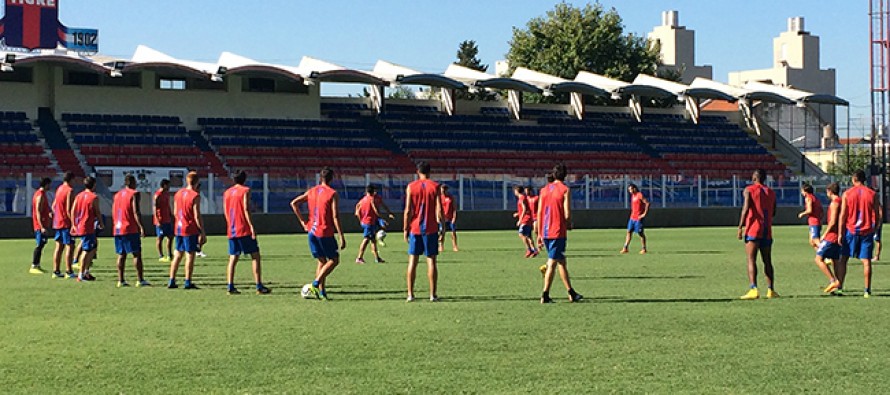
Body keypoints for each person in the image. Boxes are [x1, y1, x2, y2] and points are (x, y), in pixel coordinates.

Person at [291, 167, 346, 300]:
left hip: (312, 231)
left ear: (320, 178)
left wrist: (303, 222)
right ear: (332, 178)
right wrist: (341, 236)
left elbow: (294, 203)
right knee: (334, 260)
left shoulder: (312, 191)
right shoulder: (332, 193)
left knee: (321, 261)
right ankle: (315, 284)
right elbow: (335, 216)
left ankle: (321, 292)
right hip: (324, 232)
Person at [536, 164, 582, 303]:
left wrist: (539, 233)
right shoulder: (565, 190)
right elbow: (567, 213)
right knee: (552, 263)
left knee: (561, 261)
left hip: (545, 231)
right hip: (557, 231)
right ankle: (545, 295)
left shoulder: (544, 190)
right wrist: (569, 224)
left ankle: (571, 292)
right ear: (565, 175)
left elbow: (539, 212)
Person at [836, 170, 881, 298]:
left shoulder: (847, 194)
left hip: (851, 230)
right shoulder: (872, 194)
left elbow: (843, 215)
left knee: (843, 259)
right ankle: (867, 290)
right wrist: (875, 227)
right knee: (866, 261)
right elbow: (877, 214)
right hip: (867, 231)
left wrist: (840, 233)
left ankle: (840, 287)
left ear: (854, 179)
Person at [224, 171, 270, 295]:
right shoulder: (245, 190)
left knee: (233, 257)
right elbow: (245, 208)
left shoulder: (227, 192)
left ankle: (230, 286)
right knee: (255, 256)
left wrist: (230, 225)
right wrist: (251, 226)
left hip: (232, 228)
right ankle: (259, 286)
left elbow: (226, 211)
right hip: (243, 228)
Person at [737, 169, 778, 300]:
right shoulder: (771, 192)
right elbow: (774, 212)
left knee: (751, 259)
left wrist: (740, 226)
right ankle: (771, 290)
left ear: (754, 177)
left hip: (753, 229)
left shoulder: (749, 190)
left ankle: (753, 289)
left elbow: (745, 208)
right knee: (767, 260)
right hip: (767, 230)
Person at [404, 162, 441, 302]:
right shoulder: (435, 186)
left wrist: (405, 228)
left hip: (415, 228)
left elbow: (408, 210)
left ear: (418, 172)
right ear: (430, 172)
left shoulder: (411, 187)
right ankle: (432, 295)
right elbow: (439, 209)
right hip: (431, 228)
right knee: (431, 261)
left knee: (412, 261)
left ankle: (410, 294)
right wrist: (442, 227)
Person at [167, 171, 205, 290]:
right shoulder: (195, 195)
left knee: (178, 254)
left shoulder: (178, 193)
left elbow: (175, 212)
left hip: (178, 227)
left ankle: (171, 280)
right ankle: (188, 281)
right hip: (189, 228)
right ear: (197, 182)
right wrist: (202, 231)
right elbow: (196, 215)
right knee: (190, 255)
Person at [112, 174, 149, 287]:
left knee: (121, 254)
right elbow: (135, 211)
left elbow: (114, 211)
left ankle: (121, 280)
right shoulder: (134, 194)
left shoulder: (117, 195)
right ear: (133, 182)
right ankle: (140, 280)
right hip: (129, 227)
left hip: (118, 228)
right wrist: (141, 226)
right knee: (136, 254)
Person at [70, 176, 103, 282]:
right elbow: (97, 212)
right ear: (94, 185)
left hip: (81, 225)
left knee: (92, 247)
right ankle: (81, 274)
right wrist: (101, 223)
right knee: (87, 250)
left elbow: (73, 210)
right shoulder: (93, 197)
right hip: (87, 226)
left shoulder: (79, 196)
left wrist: (73, 224)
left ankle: (86, 272)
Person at [814, 183, 841, 294]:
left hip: (832, 236)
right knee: (835, 260)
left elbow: (833, 221)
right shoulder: (841, 201)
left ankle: (833, 281)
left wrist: (825, 234)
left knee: (818, 259)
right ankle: (838, 285)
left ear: (830, 191)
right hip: (838, 235)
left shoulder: (835, 203)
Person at [51, 172, 76, 278]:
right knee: (70, 246)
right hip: (66, 223)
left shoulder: (59, 189)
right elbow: (69, 209)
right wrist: (73, 223)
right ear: (71, 179)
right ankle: (69, 271)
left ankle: (56, 271)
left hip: (58, 222)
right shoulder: (69, 190)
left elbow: (54, 206)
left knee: (59, 246)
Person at [355, 185, 384, 264]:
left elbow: (357, 207)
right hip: (369, 222)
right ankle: (359, 257)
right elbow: (375, 210)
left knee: (373, 240)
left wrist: (360, 218)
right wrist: (381, 218)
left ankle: (377, 258)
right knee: (366, 239)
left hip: (366, 222)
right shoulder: (371, 199)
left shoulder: (363, 199)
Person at [30, 177, 53, 274]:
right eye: (49, 184)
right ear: (46, 184)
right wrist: (41, 226)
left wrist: (49, 212)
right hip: (40, 225)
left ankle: (37, 264)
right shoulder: (40, 195)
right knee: (39, 244)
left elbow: (44, 208)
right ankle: (34, 265)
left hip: (43, 223)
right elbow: (38, 212)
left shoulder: (42, 194)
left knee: (42, 244)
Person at [620, 183, 650, 254]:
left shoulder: (639, 195)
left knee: (640, 233)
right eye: (629, 190)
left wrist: (644, 214)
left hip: (638, 218)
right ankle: (625, 247)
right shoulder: (633, 196)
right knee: (629, 231)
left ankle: (644, 248)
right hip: (632, 217)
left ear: (634, 188)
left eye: (630, 189)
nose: (630, 191)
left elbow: (647, 203)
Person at [512, 185, 538, 258]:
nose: (514, 192)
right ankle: (534, 250)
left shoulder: (522, 198)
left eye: (515, 191)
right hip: (528, 219)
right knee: (528, 236)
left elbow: (524, 209)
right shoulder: (523, 198)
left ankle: (529, 249)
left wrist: (520, 220)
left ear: (517, 191)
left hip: (526, 220)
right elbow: (526, 209)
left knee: (521, 234)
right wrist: (518, 214)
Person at [797, 183, 823, 250]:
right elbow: (821, 210)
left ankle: (826, 251)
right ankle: (821, 254)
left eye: (802, 191)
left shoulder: (808, 198)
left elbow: (809, 210)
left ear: (805, 191)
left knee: (815, 239)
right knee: (812, 242)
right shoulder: (815, 198)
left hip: (814, 221)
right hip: (817, 221)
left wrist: (802, 214)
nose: (802, 193)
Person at [153, 179, 174, 262]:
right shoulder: (157, 195)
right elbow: (154, 208)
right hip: (160, 219)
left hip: (167, 219)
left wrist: (171, 214)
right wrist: (157, 220)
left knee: (170, 237)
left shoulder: (166, 194)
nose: (169, 187)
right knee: (160, 237)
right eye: (168, 185)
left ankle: (169, 254)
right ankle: (161, 256)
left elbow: (167, 205)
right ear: (164, 185)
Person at [438, 184, 458, 252]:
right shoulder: (439, 197)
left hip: (450, 218)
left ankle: (455, 246)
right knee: (442, 232)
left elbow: (454, 208)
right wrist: (438, 217)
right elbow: (437, 208)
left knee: (453, 232)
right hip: (442, 218)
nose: (443, 190)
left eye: (444, 189)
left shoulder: (451, 197)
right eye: (442, 189)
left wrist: (454, 217)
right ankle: (441, 246)